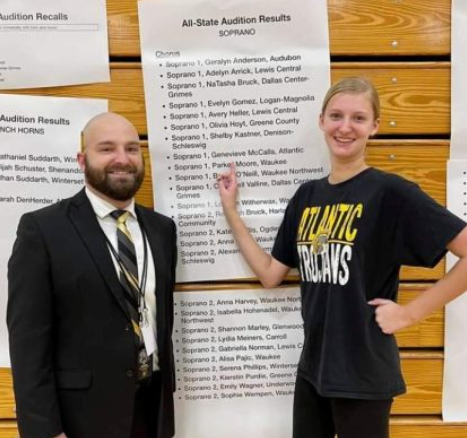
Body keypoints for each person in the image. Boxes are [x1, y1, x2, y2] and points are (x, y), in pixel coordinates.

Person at [217, 77, 467, 438]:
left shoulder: (391, 193)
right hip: (312, 371)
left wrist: (410, 313)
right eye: (336, 115)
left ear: (375, 127)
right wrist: (231, 210)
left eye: (358, 118)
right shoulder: (307, 196)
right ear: (321, 121)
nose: (345, 127)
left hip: (363, 373)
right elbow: (271, 274)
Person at [7, 112, 177, 438]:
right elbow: (28, 343)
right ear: (82, 159)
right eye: (107, 148)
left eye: (131, 148)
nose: (122, 159)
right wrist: (44, 431)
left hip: (151, 408)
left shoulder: (162, 230)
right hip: (81, 419)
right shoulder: (42, 230)